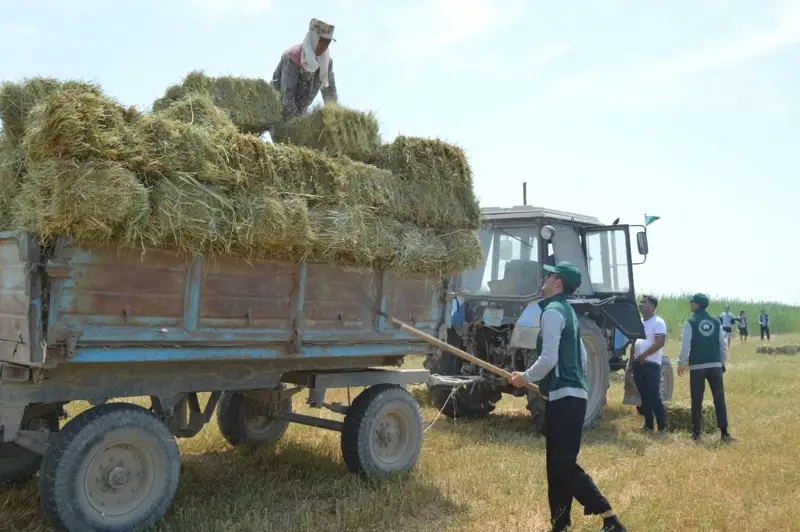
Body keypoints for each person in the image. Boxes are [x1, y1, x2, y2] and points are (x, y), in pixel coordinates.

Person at [508, 261, 626, 532]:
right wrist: (572, 385)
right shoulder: (569, 313)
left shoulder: (551, 312)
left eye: (549, 275)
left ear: (558, 283)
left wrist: (523, 378)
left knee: (562, 464)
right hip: (569, 397)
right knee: (555, 465)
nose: (545, 279)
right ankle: (559, 524)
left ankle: (609, 516)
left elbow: (548, 358)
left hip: (565, 398)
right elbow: (581, 357)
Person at [677, 293, 735, 443]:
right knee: (719, 399)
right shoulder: (716, 321)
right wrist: (721, 362)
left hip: (697, 366)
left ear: (697, 305)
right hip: (715, 365)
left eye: (692, 302)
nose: (690, 304)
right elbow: (723, 345)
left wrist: (681, 363)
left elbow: (685, 345)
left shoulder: (690, 321)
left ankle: (696, 434)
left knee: (696, 399)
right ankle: (724, 433)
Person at [270, 18, 338, 121]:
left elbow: (329, 93)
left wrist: (333, 117)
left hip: (301, 109)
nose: (324, 47)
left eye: (327, 43)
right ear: (313, 38)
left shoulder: (326, 63)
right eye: (322, 42)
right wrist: (300, 124)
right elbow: (287, 98)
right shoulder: (292, 58)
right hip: (278, 107)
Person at [631, 294, 667, 433]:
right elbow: (634, 342)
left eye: (644, 302)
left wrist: (644, 355)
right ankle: (648, 426)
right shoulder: (639, 322)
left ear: (651, 306)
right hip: (638, 363)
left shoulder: (658, 322)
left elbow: (660, 342)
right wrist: (632, 362)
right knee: (644, 396)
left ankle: (662, 427)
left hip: (651, 363)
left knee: (654, 395)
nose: (640, 304)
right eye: (640, 301)